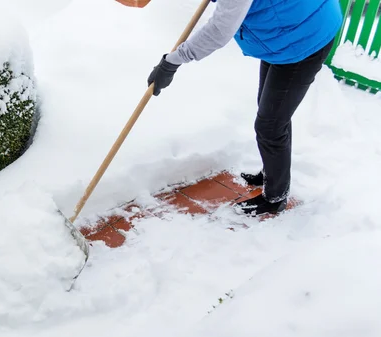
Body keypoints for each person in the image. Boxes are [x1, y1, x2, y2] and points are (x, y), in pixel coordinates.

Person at [147, 0, 343, 216]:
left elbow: (220, 30)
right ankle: (273, 174)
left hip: (304, 36)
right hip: (286, 28)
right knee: (272, 115)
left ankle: (275, 197)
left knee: (270, 125)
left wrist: (172, 62)